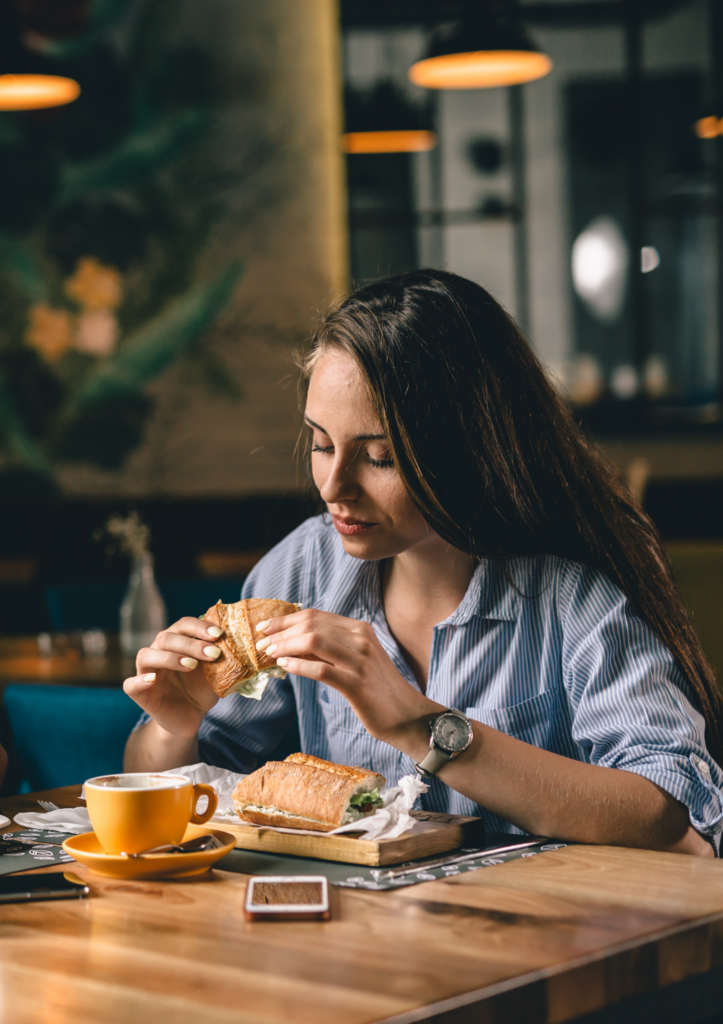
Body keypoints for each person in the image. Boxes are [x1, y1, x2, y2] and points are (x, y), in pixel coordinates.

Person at [124, 269, 723, 856]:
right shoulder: (301, 569)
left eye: (378, 457)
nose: (334, 486)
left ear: (472, 450)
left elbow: (669, 811)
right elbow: (187, 783)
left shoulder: (573, 592)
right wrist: (174, 726)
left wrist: (419, 726)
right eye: (321, 444)